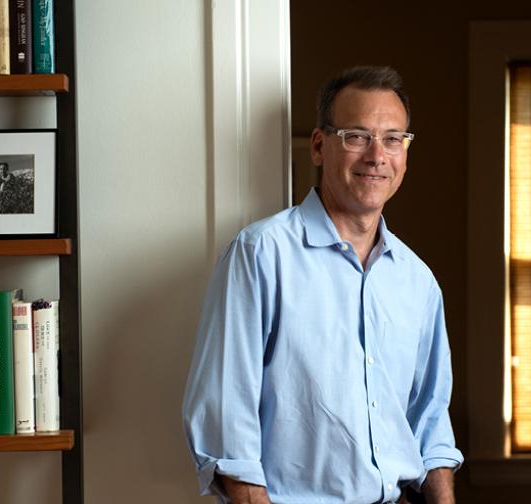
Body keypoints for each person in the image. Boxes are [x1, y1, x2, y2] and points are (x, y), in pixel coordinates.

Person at [182, 66, 463, 504]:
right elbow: (225, 425)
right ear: (319, 146)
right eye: (356, 136)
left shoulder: (418, 281)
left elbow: (430, 423)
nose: (377, 156)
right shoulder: (260, 255)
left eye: (393, 139)